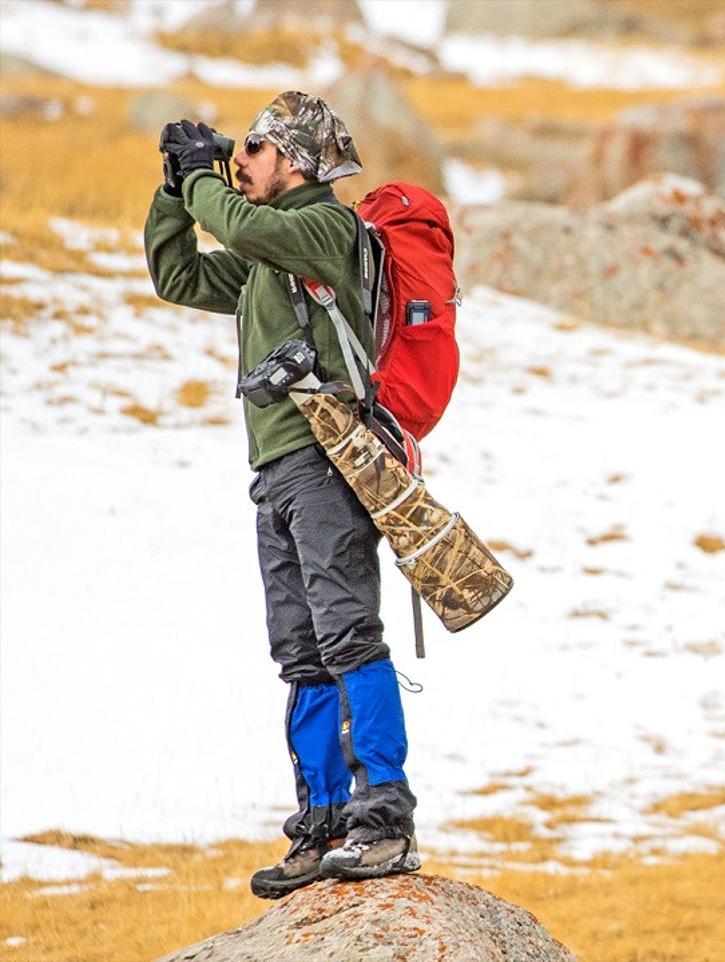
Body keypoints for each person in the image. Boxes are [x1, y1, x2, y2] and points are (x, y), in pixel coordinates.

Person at [144, 91, 419, 898]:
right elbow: (178, 272)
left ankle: (385, 820)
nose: (240, 166)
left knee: (347, 637)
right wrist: (173, 189)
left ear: (293, 159)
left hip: (329, 461)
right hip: (277, 470)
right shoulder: (271, 252)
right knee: (300, 653)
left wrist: (202, 182)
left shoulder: (325, 229)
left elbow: (240, 224)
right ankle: (326, 822)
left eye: (253, 152)